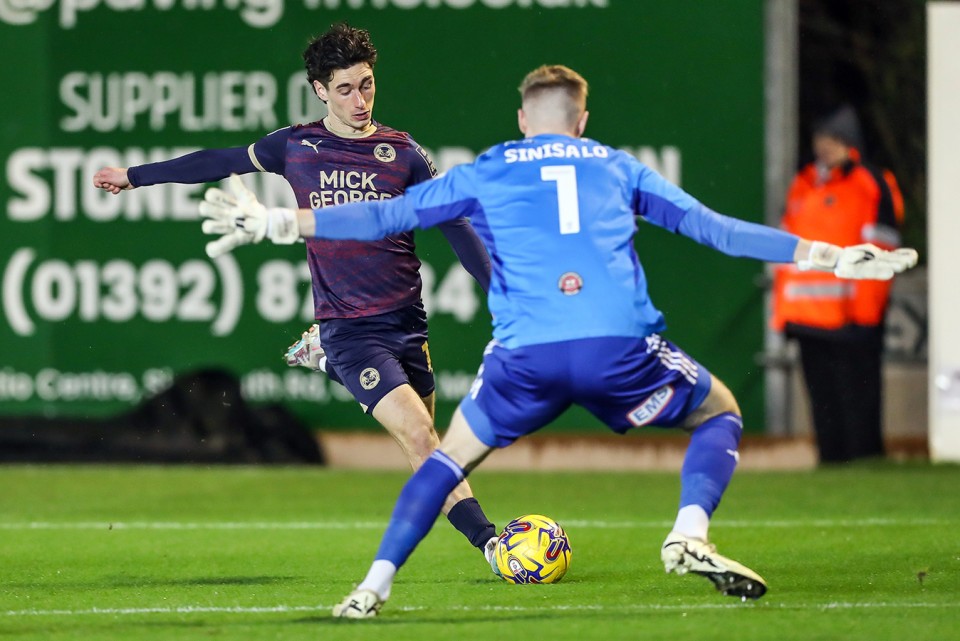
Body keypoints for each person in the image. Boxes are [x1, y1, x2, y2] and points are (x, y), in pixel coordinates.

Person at [197, 65, 918, 618]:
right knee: (719, 409)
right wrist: (829, 253)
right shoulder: (615, 165)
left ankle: (370, 586)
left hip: (526, 359)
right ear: (582, 121)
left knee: (445, 459)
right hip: (618, 349)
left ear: (521, 118)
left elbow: (387, 214)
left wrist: (280, 223)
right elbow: (721, 231)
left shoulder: (488, 168)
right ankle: (688, 530)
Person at [91, 23, 502, 569]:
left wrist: (505, 296)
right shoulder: (297, 146)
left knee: (426, 449)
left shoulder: (404, 155)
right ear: (319, 90)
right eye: (346, 89)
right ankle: (495, 545)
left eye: (368, 85)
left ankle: (326, 362)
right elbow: (219, 161)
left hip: (408, 322)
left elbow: (455, 228)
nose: (360, 100)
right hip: (350, 328)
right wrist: (134, 175)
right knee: (423, 437)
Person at [772, 105, 906, 463]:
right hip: (807, 316)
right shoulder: (803, 184)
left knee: (858, 394)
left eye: (834, 139)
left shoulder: (870, 183)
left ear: (851, 143)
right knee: (822, 398)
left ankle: (865, 459)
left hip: (850, 316)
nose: (825, 146)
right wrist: (783, 314)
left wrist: (866, 314)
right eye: (820, 138)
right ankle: (830, 462)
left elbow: (881, 249)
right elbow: (788, 252)